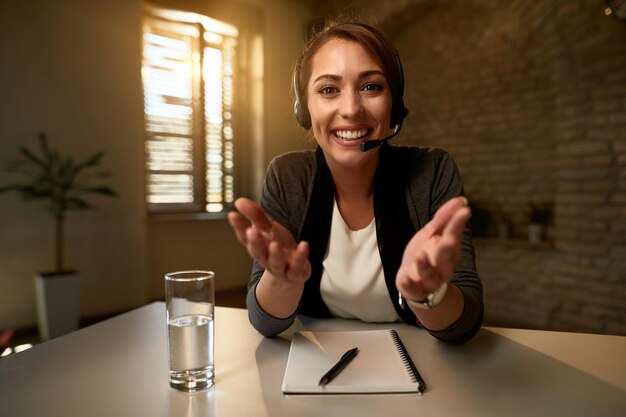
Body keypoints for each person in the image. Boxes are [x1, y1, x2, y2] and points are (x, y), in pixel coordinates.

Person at [228, 21, 483, 343]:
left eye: (371, 87)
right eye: (328, 89)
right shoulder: (288, 175)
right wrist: (283, 280)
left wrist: (427, 293)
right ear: (304, 108)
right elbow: (267, 324)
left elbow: (465, 322)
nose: (350, 109)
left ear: (395, 106)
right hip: (316, 363)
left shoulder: (431, 171)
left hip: (418, 360)